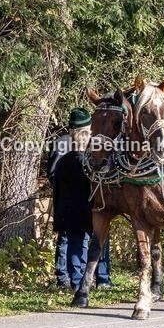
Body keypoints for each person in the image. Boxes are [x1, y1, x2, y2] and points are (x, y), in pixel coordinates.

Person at [47, 107, 112, 291]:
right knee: (80, 244)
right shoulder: (82, 159)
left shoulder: (69, 159)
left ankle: (84, 280)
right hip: (84, 208)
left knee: (78, 244)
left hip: (69, 208)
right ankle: (77, 280)